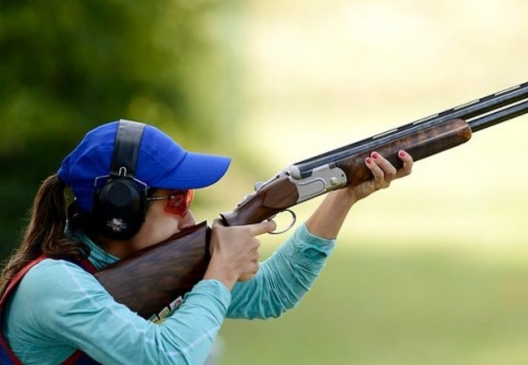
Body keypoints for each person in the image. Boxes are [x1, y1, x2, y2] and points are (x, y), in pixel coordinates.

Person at [0, 119, 413, 364]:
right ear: (120, 210)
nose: (191, 216)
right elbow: (166, 358)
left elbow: (273, 294)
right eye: (178, 199)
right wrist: (221, 271)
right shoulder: (51, 284)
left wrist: (345, 194)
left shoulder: (142, 269)